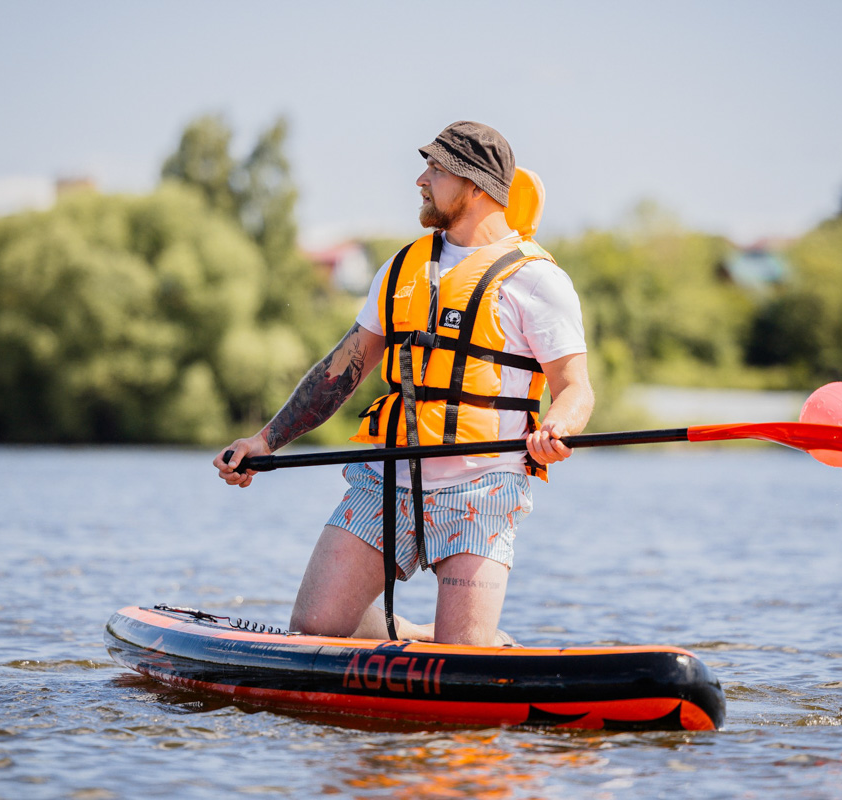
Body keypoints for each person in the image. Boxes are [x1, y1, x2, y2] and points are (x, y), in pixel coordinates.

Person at [214, 121, 593, 646]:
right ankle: (412, 635)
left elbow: (576, 388)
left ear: (476, 183)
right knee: (316, 630)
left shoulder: (537, 279)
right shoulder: (401, 269)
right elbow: (340, 371)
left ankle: (469, 640)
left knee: (465, 655)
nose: (421, 178)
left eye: (436, 169)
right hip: (386, 478)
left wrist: (557, 429)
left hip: (481, 488)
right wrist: (264, 441)